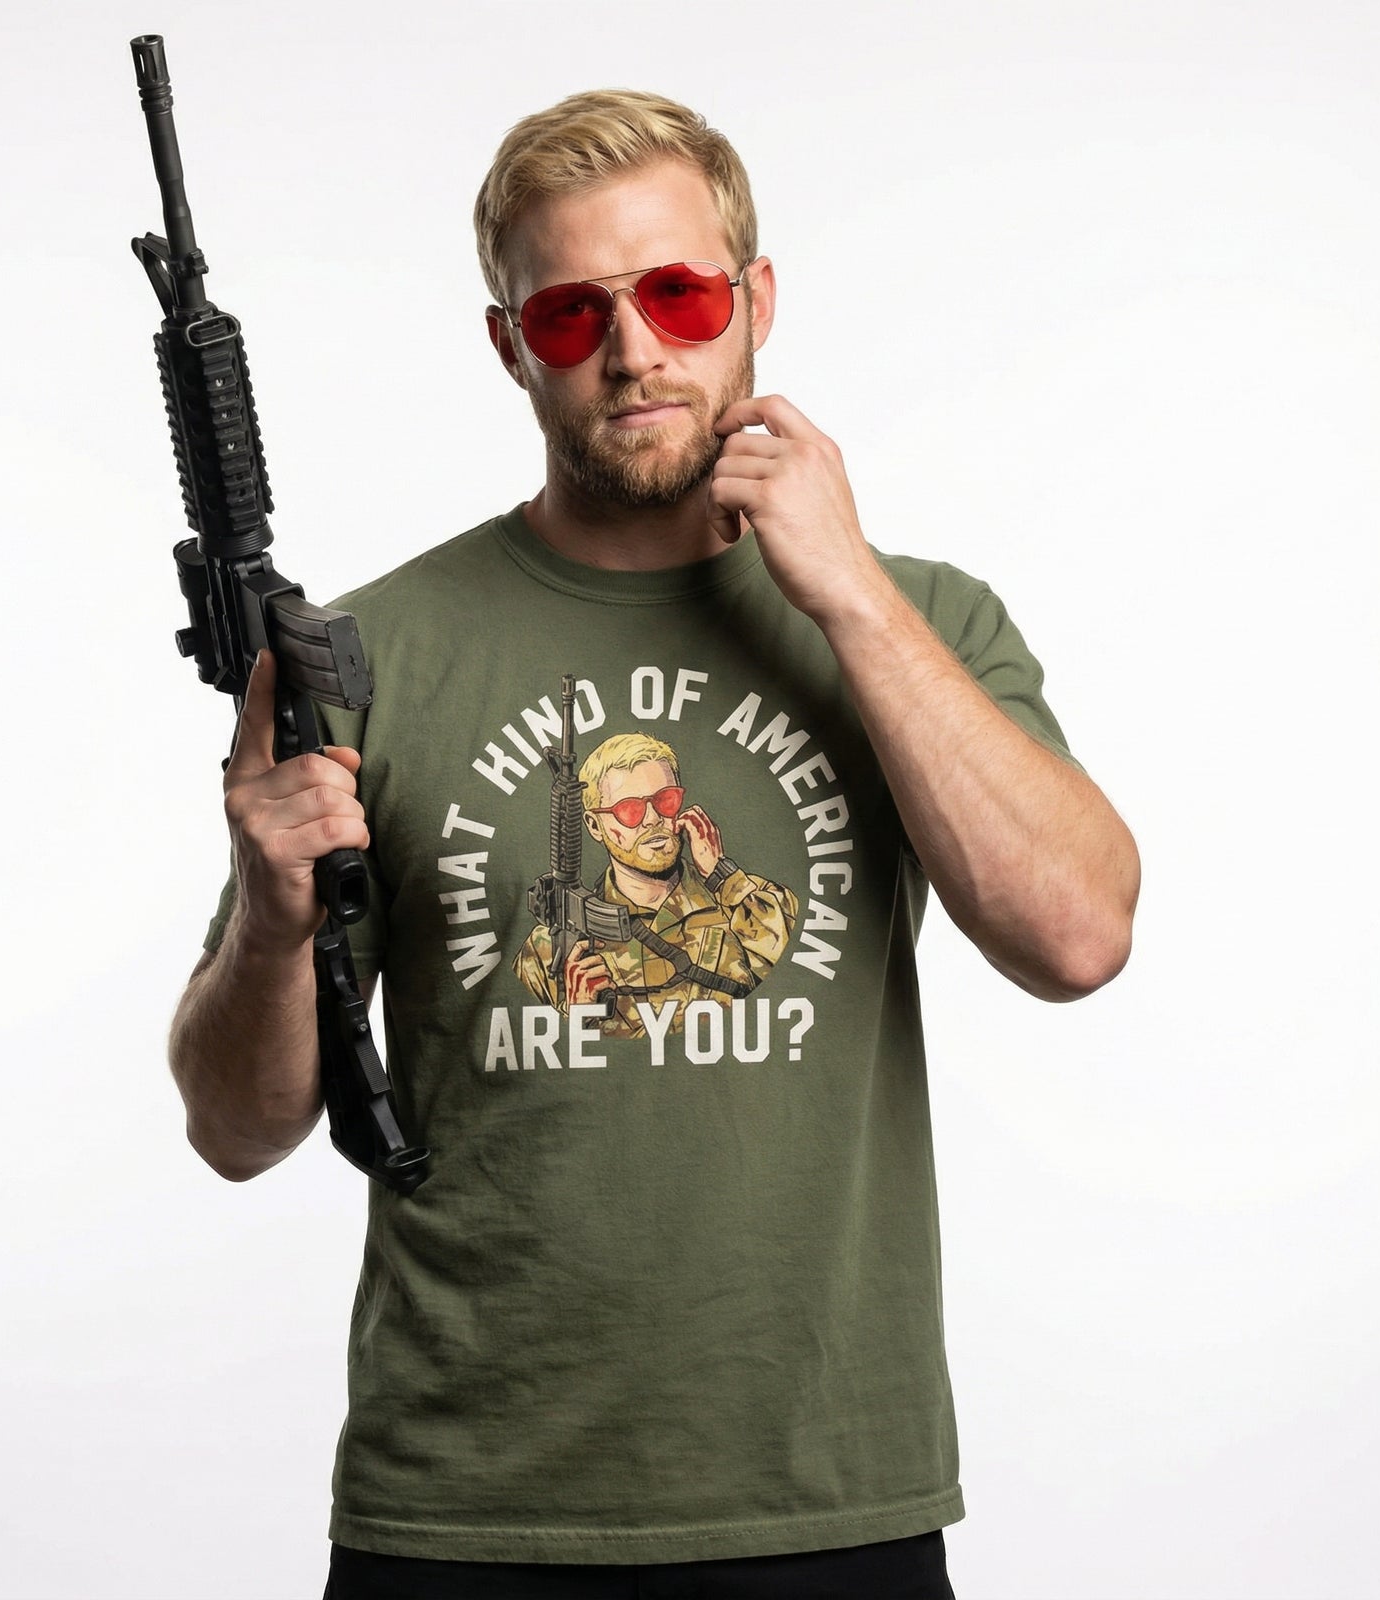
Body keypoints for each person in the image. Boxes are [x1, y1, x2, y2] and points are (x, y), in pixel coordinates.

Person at [169, 88, 1140, 1600]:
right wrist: (272, 909)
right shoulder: (374, 658)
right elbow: (237, 1130)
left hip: (831, 1500)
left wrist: (852, 598)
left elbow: (1077, 936)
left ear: (752, 302)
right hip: (465, 1516)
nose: (634, 351)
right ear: (510, 347)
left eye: (678, 294)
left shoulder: (922, 623)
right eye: (570, 315)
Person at [511, 729, 801, 1036]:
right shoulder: (547, 949)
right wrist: (576, 1016)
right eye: (630, 809)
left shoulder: (752, 901)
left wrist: (722, 876)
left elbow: (793, 975)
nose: (652, 819)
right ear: (595, 826)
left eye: (665, 800)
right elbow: (531, 1050)